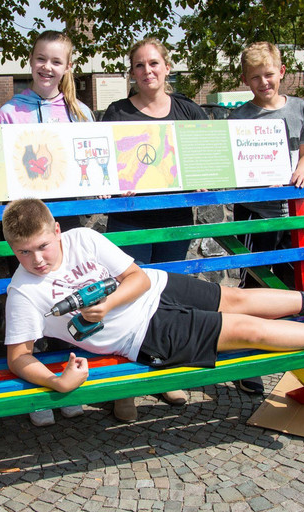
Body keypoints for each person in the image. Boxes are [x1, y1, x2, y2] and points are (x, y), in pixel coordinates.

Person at [2, 199, 304, 408]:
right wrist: (57, 381)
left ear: (56, 229)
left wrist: (105, 306)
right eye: (24, 253)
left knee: (238, 298)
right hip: (144, 334)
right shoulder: (24, 293)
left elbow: (138, 278)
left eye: (43, 246)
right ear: (12, 250)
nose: (37, 260)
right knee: (248, 331)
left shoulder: (82, 239)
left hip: (157, 288)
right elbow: (18, 357)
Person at [100, 38, 209, 418]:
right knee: (125, 295)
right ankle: (124, 385)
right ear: (131, 73)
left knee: (171, 296)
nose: (148, 71)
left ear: (167, 67)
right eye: (140, 65)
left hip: (173, 220)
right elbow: (103, 165)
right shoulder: (116, 112)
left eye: (154, 64)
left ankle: (165, 374)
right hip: (129, 218)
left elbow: (206, 158)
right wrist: (114, 181)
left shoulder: (189, 111)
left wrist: (202, 178)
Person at [0, 30, 94, 427]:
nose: (47, 67)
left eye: (56, 61)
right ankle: (38, 392)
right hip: (26, 226)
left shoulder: (80, 112)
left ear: (68, 67)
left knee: (66, 303)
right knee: (29, 308)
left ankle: (65, 378)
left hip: (64, 223)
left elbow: (92, 162)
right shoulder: (9, 112)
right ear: (31, 60)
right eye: (41, 59)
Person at [227, 41, 304, 395]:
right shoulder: (239, 117)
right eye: (255, 78)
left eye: (269, 75)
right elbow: (231, 165)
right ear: (245, 80)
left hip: (292, 213)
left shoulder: (298, 109)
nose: (264, 83)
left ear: (281, 73)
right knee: (254, 286)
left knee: (293, 285)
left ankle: (290, 349)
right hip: (256, 214)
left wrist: (301, 171)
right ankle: (248, 358)